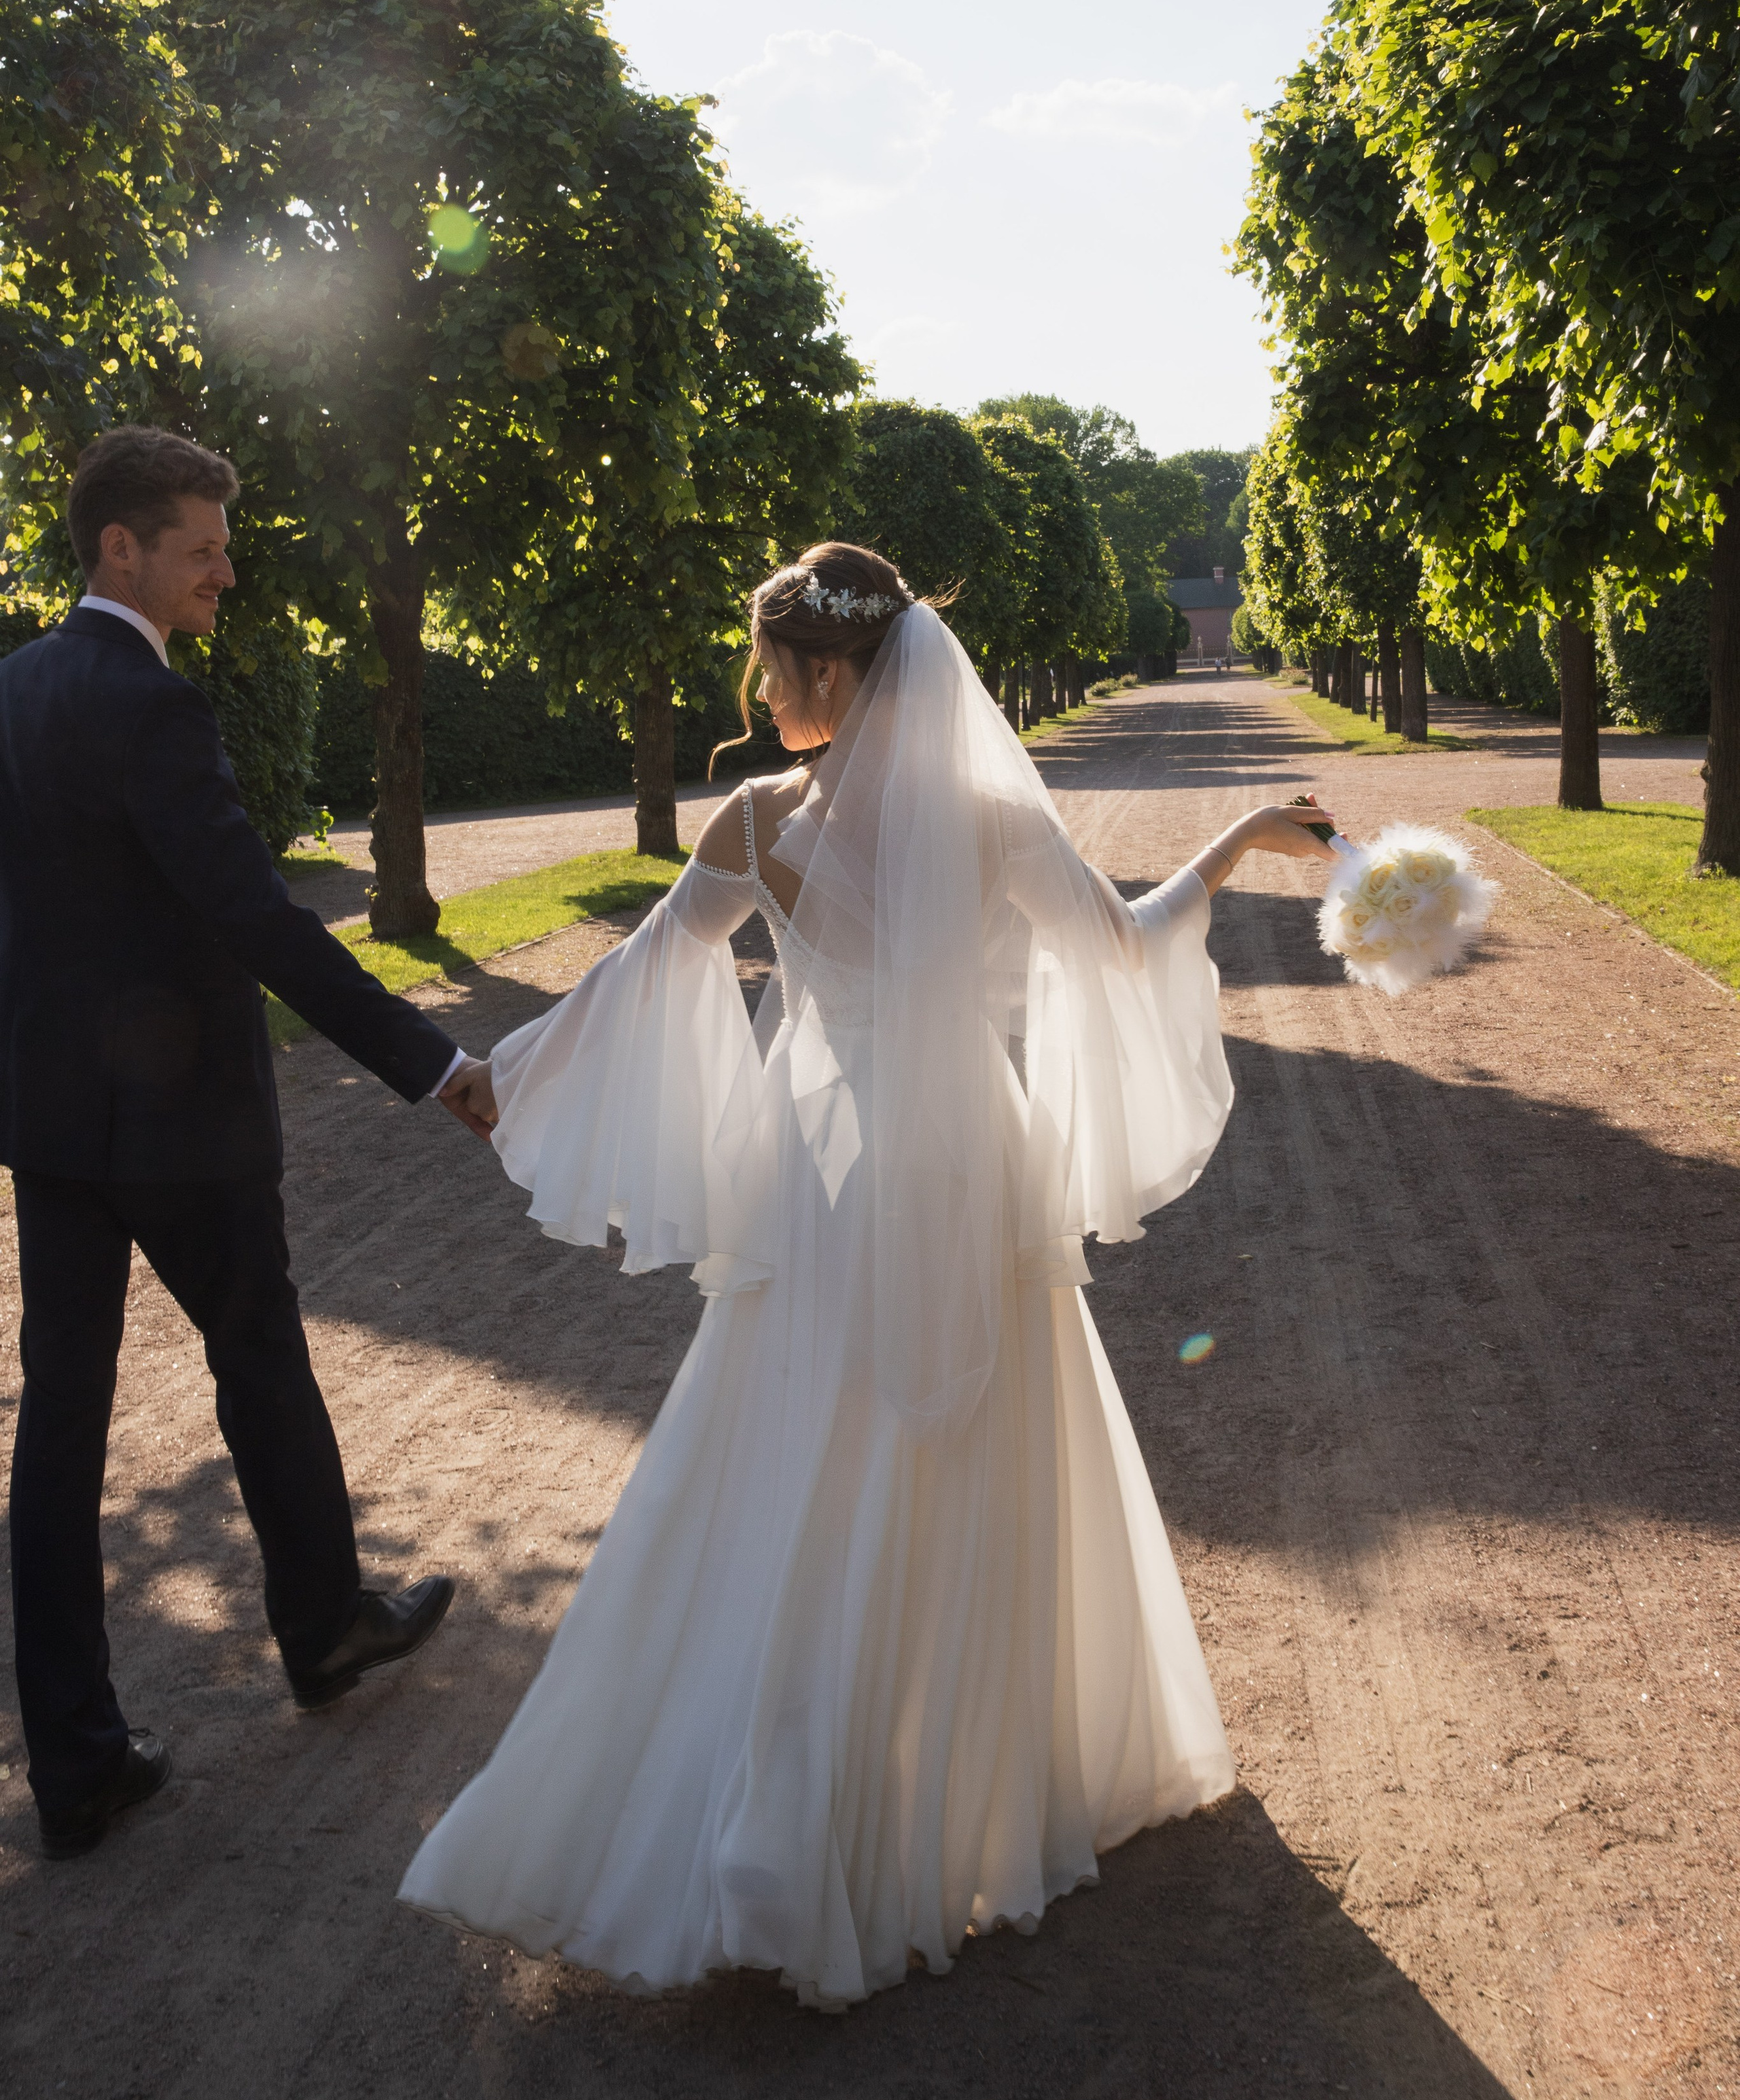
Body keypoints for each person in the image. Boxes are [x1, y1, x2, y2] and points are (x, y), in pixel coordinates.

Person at [401, 542, 1335, 2006]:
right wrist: (1230, 840)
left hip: (824, 1182)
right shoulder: (984, 821)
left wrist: (504, 1080)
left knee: (794, 1458)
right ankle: (963, 1789)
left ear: (824, 674)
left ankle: (788, 1811)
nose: (758, 688)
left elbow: (644, 974)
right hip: (969, 1171)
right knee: (971, 1454)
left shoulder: (759, 822)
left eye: (768, 665)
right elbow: (1124, 947)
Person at [0, 425, 500, 1861]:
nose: (228, 568)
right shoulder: (152, 709)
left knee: (60, 1423)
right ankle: (325, 1625)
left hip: (49, 1123)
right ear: (122, 549)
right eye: (204, 545)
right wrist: (431, 1061)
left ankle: (79, 1762)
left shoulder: (14, 690)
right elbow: (258, 917)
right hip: (181, 1117)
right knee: (258, 1357)